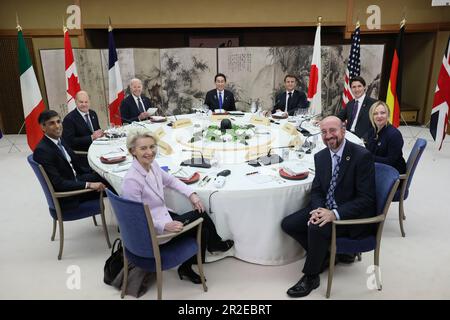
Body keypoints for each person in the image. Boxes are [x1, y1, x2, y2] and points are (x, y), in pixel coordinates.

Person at [121, 129, 234, 284]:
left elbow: (171, 181)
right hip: (153, 231)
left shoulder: (152, 165)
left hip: (162, 215)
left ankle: (190, 264)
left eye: (152, 146)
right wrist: (164, 225)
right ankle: (213, 246)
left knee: (202, 226)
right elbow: (136, 217)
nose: (149, 152)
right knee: (200, 216)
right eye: (143, 148)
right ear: (132, 151)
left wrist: (191, 194)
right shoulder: (131, 181)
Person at [281, 116, 376, 298]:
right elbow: (317, 190)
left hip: (349, 215)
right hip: (325, 207)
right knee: (289, 224)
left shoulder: (361, 156)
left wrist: (334, 214)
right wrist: (318, 210)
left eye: (333, 130)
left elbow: (366, 199)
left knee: (316, 228)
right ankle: (324, 255)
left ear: (343, 130)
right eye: (324, 132)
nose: (328, 136)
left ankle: (311, 276)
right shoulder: (321, 156)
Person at [33, 110, 110, 211]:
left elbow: (75, 163)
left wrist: (97, 170)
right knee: (116, 188)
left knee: (110, 177)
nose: (57, 126)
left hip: (76, 179)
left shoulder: (59, 140)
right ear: (43, 127)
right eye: (52, 123)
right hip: (70, 196)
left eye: (58, 122)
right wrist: (89, 184)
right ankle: (125, 224)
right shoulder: (42, 151)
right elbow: (59, 183)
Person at [367, 101, 406, 174]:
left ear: (388, 115)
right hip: (377, 167)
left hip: (392, 173)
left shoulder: (394, 135)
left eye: (382, 113)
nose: (379, 116)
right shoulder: (372, 131)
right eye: (375, 113)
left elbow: (390, 161)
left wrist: (367, 157)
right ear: (371, 116)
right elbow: (370, 151)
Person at [338, 76, 377, 141]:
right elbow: (339, 117)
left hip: (363, 140)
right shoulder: (350, 104)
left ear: (364, 87)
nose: (357, 89)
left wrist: (364, 139)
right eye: (354, 87)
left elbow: (376, 125)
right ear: (351, 89)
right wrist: (324, 120)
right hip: (348, 136)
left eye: (359, 86)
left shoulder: (373, 103)